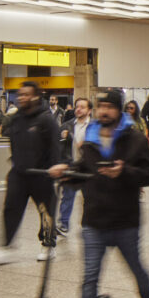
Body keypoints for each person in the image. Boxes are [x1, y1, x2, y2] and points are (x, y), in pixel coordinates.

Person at [49, 88, 149, 298]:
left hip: (125, 220)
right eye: (101, 107)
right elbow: (84, 173)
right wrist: (67, 174)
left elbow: (148, 175)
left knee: (137, 270)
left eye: (109, 107)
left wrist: (124, 172)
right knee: (89, 280)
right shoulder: (90, 137)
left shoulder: (134, 138)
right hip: (94, 221)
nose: (104, 111)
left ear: (119, 109)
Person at [0, 82, 60, 264]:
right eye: (20, 94)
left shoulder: (46, 119)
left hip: (41, 174)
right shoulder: (17, 118)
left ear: (36, 97)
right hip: (19, 173)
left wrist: (55, 167)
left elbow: (55, 146)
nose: (22, 97)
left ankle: (48, 245)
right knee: (11, 209)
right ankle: (6, 247)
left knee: (46, 212)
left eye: (26, 94)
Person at [57, 97, 93, 235]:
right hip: (71, 165)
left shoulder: (95, 126)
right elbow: (59, 146)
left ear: (89, 110)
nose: (78, 109)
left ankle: (86, 225)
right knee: (67, 195)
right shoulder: (67, 125)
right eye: (77, 106)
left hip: (88, 167)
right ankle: (64, 224)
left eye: (82, 107)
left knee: (88, 197)